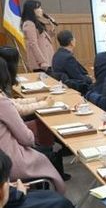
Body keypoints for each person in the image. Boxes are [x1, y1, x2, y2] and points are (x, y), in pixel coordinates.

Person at [0, 58, 65, 192]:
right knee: (44, 149)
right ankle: (56, 194)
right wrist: (44, 104)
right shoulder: (2, 103)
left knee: (39, 127)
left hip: (5, 155)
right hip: (8, 161)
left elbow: (13, 103)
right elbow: (26, 139)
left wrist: (36, 99)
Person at [0, 46, 53, 117]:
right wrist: (44, 103)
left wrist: (36, 99)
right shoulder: (4, 84)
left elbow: (11, 102)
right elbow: (18, 109)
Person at [51, 30, 93, 94]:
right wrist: (90, 79)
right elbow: (78, 77)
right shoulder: (68, 58)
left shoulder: (57, 54)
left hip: (63, 86)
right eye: (74, 38)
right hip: (74, 88)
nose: (75, 40)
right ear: (71, 42)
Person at [21, 0, 56, 73]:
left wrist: (51, 27)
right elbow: (33, 44)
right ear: (32, 10)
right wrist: (42, 62)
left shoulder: (36, 22)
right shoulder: (29, 24)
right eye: (39, 8)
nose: (41, 10)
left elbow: (41, 38)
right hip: (41, 64)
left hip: (46, 59)